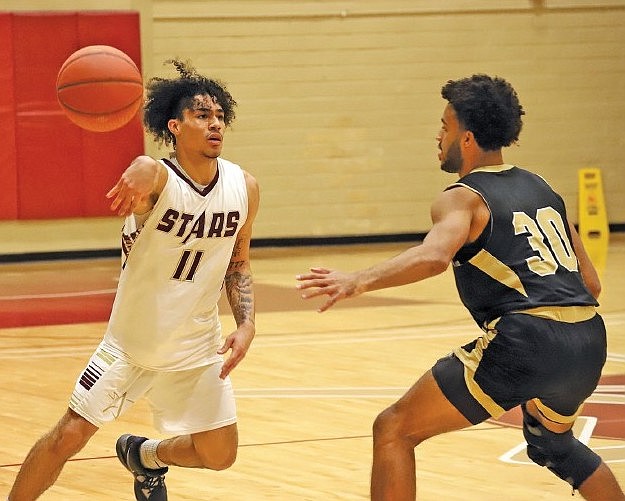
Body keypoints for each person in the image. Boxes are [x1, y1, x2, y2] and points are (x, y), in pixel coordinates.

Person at [296, 74, 624, 500]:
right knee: (555, 444)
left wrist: (356, 280)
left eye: (445, 126)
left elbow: (434, 256)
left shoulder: (462, 197)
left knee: (393, 428)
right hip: (588, 339)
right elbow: (592, 284)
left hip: (526, 339)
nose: (439, 135)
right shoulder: (544, 188)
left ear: (466, 139)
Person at [8, 59, 259, 501]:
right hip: (132, 344)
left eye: (220, 116)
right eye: (202, 115)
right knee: (68, 437)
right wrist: (141, 165)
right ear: (175, 126)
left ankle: (146, 457)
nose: (215, 123)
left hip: (197, 347)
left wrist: (246, 324)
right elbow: (148, 172)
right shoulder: (157, 178)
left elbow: (238, 262)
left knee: (221, 455)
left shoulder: (245, 187)